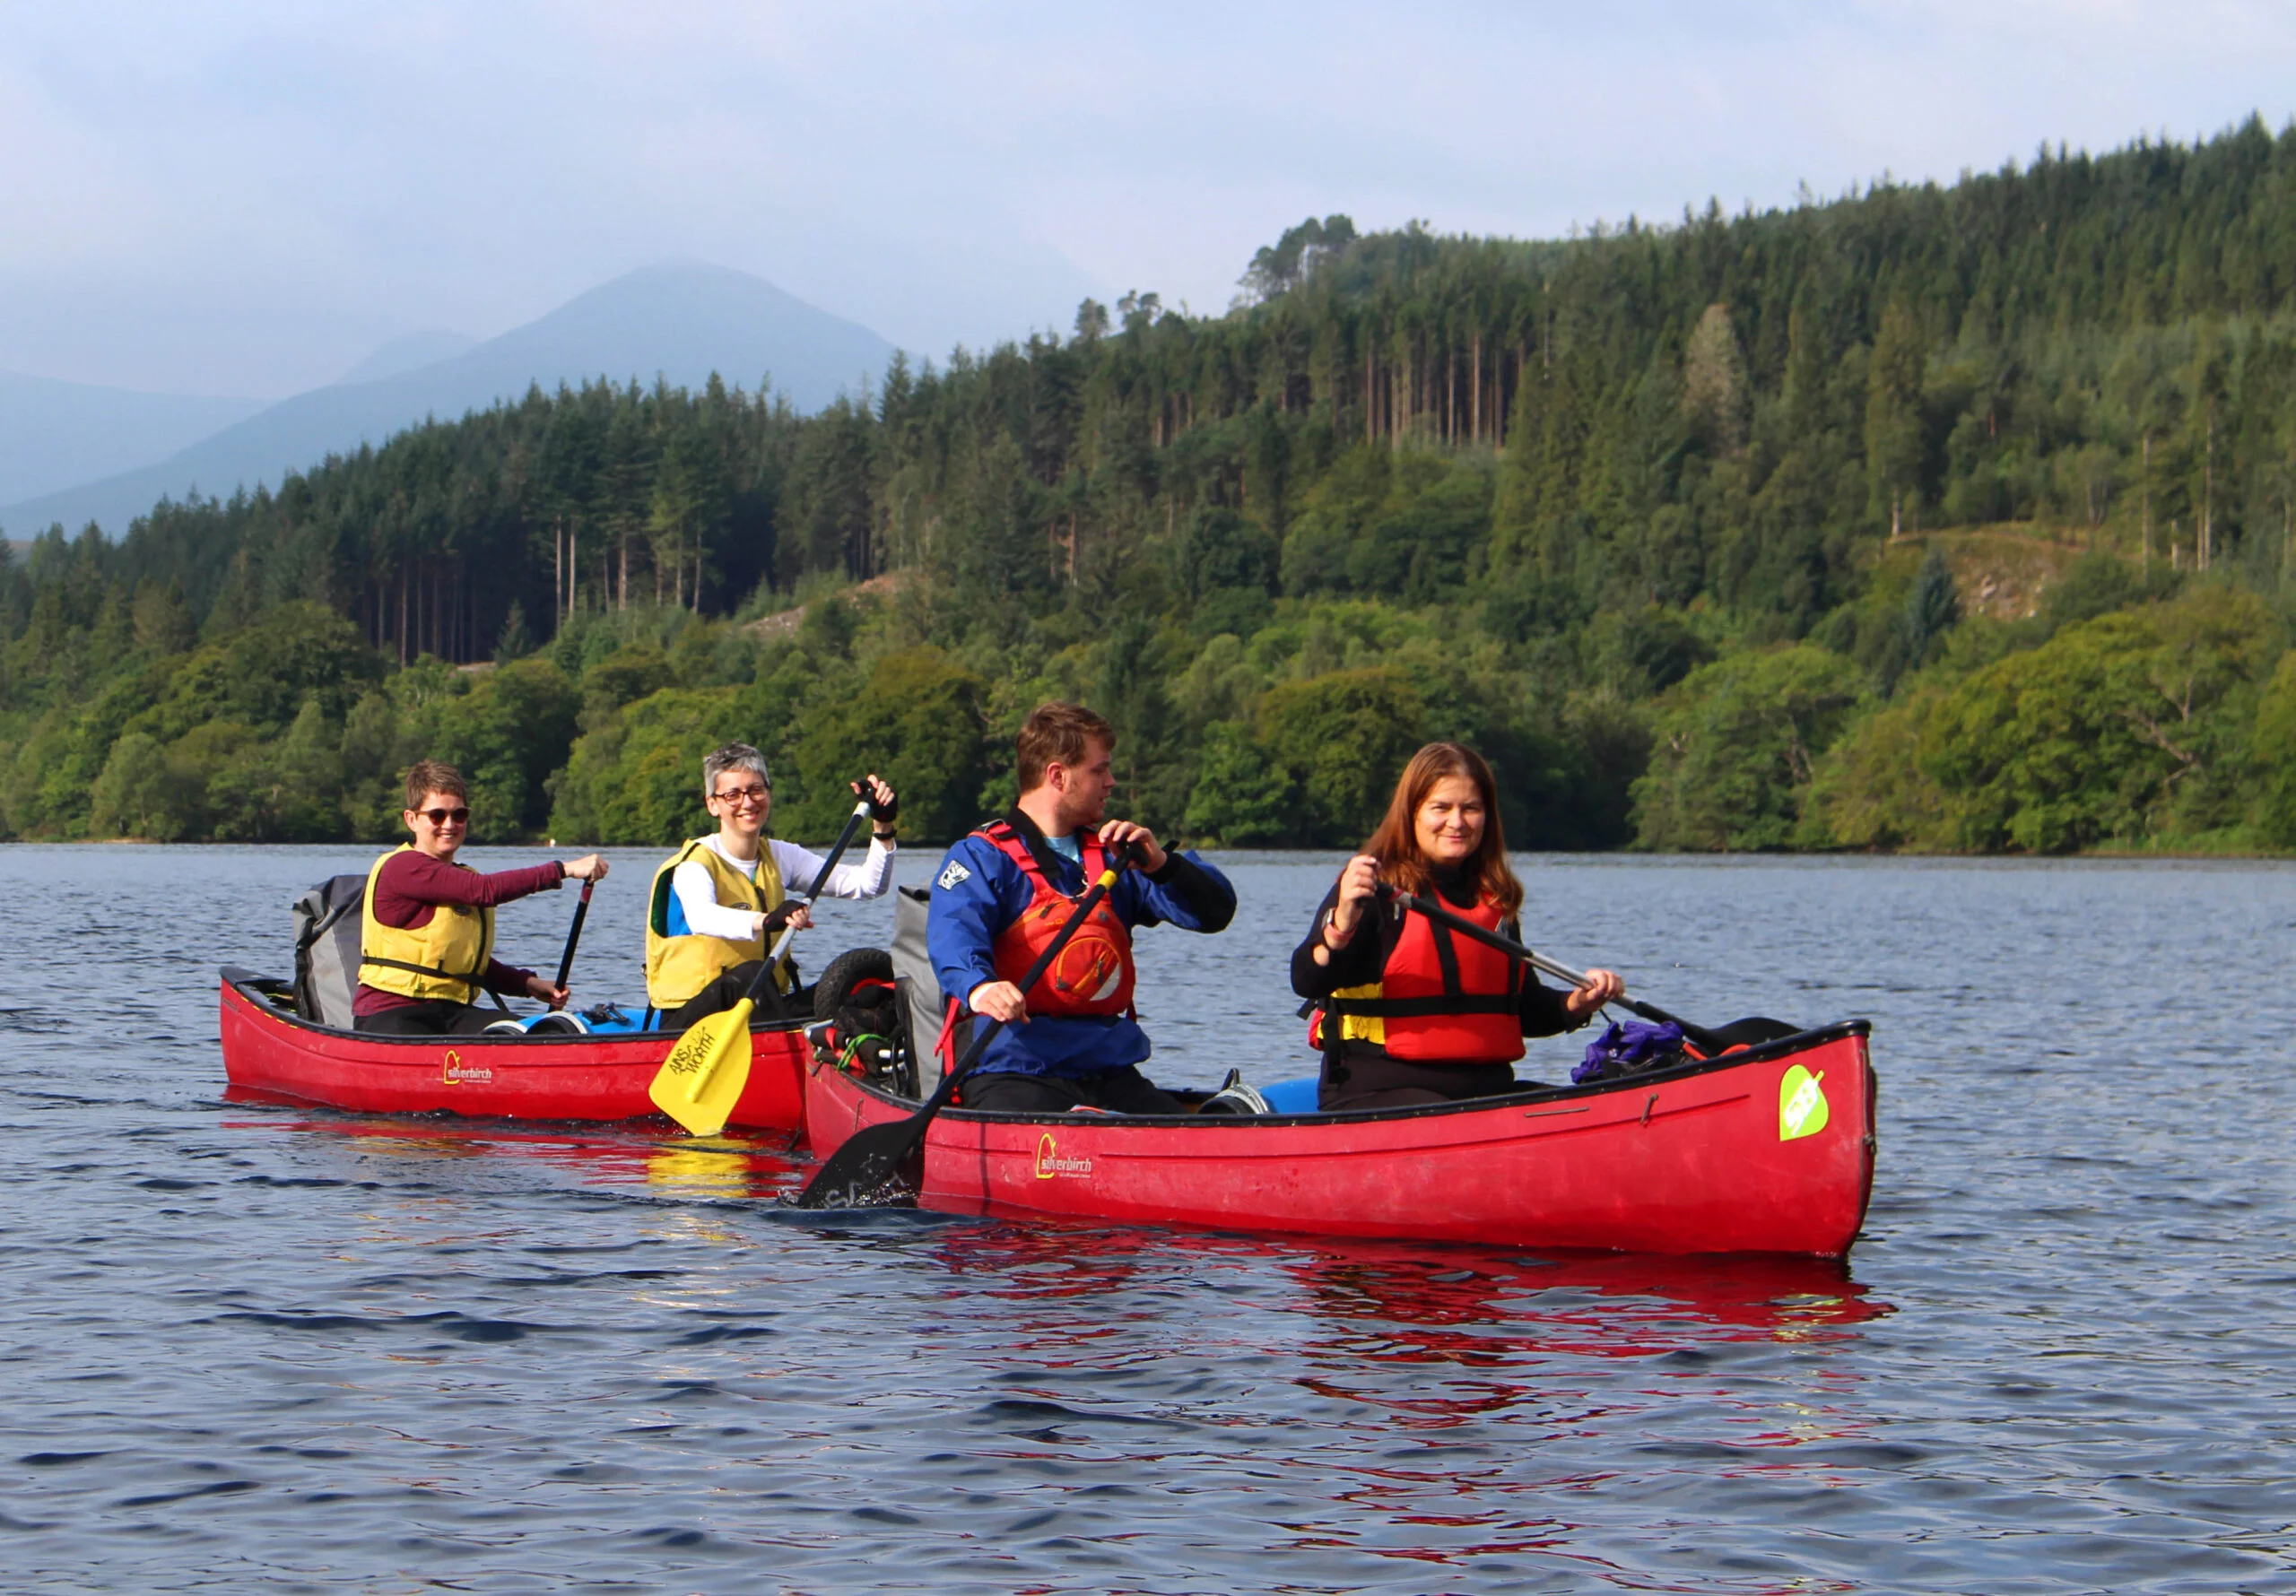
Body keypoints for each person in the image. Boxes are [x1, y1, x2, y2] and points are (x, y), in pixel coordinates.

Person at [927, 701, 1237, 1115]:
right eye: (1099, 770)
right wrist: (980, 986)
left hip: (1107, 1072)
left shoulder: (1119, 856)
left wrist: (1163, 866)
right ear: (1058, 775)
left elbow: (1215, 914)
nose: (1110, 782)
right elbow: (952, 935)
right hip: (1015, 1070)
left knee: (1181, 1128)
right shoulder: (980, 858)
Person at [1291, 742, 1626, 1111]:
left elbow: (1525, 1012)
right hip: (1377, 1092)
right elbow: (1307, 979)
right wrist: (1342, 923)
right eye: (1441, 808)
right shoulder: (1372, 888)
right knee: (1449, 1113)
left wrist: (1580, 1001)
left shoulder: (1494, 897)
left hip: (1485, 1091)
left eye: (1470, 808)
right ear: (1412, 813)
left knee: (1577, 1105)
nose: (1457, 822)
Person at [644, 744, 899, 1028]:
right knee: (751, 974)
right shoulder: (693, 865)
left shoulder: (780, 855)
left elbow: (867, 885)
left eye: (756, 790)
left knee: (870, 983)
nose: (748, 802)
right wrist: (768, 920)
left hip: (758, 1010)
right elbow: (703, 917)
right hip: (692, 1023)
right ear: (712, 804)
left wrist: (883, 828)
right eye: (732, 795)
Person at [356, 759, 610, 1035]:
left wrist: (527, 984)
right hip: (392, 1013)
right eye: (437, 816)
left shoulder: (459, 876)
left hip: (450, 1013)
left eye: (459, 815)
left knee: (537, 1032)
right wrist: (564, 869)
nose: (450, 825)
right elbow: (484, 890)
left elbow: (466, 963)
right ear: (412, 819)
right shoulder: (402, 866)